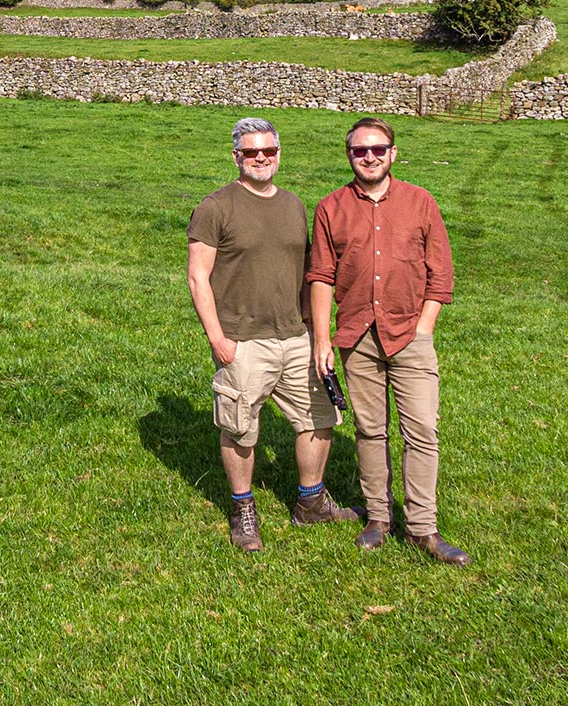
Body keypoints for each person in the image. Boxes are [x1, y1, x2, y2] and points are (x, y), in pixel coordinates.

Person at [307, 116, 470, 565]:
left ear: (393, 153)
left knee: (422, 430)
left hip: (410, 333)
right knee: (369, 429)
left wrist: (424, 328)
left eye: (378, 149)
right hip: (356, 335)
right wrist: (323, 339)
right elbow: (320, 276)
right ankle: (379, 518)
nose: (370, 157)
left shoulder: (421, 202)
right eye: (361, 151)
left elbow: (442, 275)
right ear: (349, 156)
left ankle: (423, 527)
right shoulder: (330, 208)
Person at [187, 116, 354, 552]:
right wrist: (218, 339)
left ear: (280, 153)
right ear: (236, 156)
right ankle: (243, 508)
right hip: (242, 340)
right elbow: (197, 278)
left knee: (319, 418)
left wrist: (315, 332)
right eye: (250, 152)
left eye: (269, 151)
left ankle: (310, 502)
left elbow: (309, 273)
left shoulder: (295, 205)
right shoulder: (215, 207)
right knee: (240, 428)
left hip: (295, 335)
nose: (260, 158)